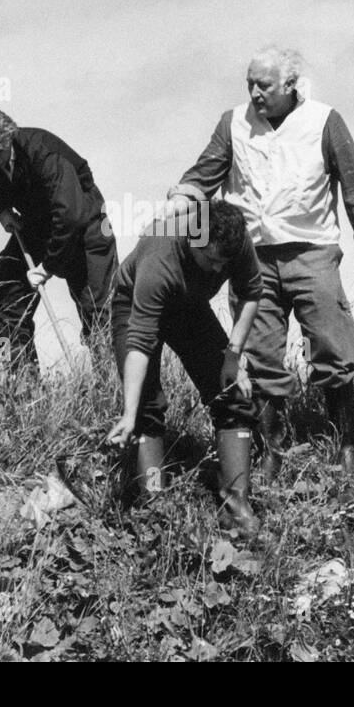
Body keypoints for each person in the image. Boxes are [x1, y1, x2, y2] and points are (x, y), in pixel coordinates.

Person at [167, 47, 354, 481]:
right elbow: (206, 170)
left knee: (333, 346)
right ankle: (273, 450)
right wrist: (185, 193)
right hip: (252, 258)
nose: (254, 92)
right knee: (261, 353)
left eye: (263, 85)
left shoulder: (324, 121)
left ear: (290, 85)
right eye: (249, 83)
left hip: (312, 251)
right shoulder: (234, 123)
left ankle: (347, 446)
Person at [106, 199, 263, 535]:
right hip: (134, 306)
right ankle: (155, 508)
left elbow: (251, 292)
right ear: (194, 239)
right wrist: (129, 413)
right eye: (211, 261)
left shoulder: (235, 240)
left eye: (225, 263)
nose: (218, 271)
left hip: (189, 307)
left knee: (231, 392)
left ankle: (237, 507)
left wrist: (233, 357)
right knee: (147, 408)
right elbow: (140, 342)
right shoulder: (160, 254)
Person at [0, 107, 117, 379]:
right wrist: (1, 207)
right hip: (35, 224)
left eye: (1, 151)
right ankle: (25, 390)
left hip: (86, 222)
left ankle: (113, 397)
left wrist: (48, 268)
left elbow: (70, 215)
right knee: (4, 306)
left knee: (99, 314)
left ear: (10, 134)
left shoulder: (43, 151)